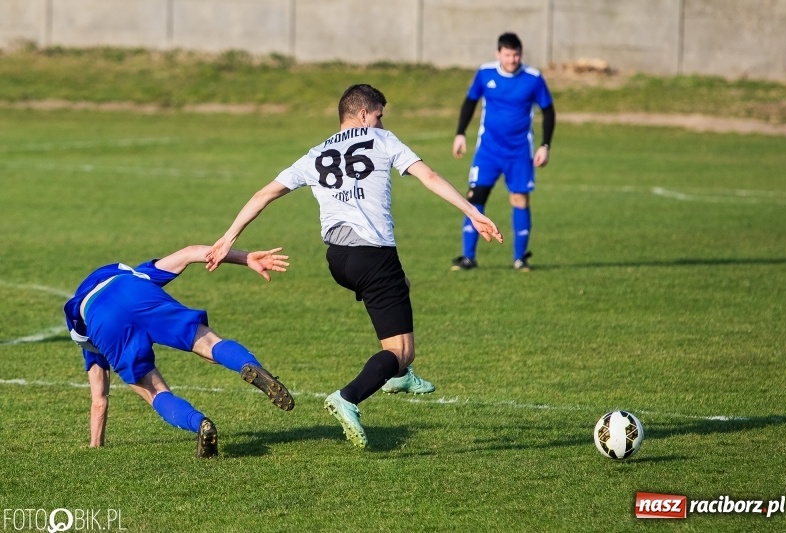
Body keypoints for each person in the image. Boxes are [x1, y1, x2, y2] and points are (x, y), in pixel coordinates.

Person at [206, 84, 503, 449]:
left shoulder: (315, 154)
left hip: (338, 259)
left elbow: (263, 195)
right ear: (363, 114)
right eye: (379, 115)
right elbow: (429, 176)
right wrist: (473, 212)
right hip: (373, 254)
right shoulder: (382, 141)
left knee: (401, 285)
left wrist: (228, 239)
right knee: (400, 351)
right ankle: (350, 396)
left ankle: (399, 374)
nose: (381, 122)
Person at [63, 244, 294, 458]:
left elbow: (99, 400)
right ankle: (247, 365)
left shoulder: (80, 325)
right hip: (136, 291)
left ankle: (200, 423)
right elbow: (190, 253)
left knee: (154, 391)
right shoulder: (135, 274)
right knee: (209, 344)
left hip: (101, 320)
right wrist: (246, 258)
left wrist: (95, 446)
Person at [451, 32, 556, 272]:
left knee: (519, 199)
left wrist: (545, 145)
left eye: (516, 54)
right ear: (498, 53)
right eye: (507, 55)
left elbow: (549, 111)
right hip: (487, 151)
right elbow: (470, 102)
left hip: (519, 153)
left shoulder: (533, 78)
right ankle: (468, 257)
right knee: (474, 200)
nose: (512, 59)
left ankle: (520, 259)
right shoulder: (485, 73)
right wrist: (460, 134)